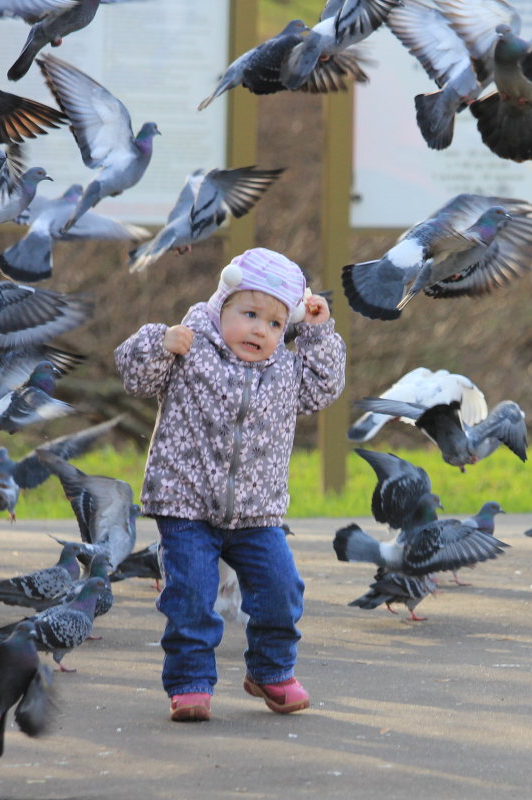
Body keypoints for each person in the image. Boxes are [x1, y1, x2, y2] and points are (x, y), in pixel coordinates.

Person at [114, 247, 345, 722]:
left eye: (276, 324)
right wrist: (159, 343)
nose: (261, 330)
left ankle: (271, 671)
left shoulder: (286, 371)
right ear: (222, 306)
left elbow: (326, 387)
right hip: (186, 504)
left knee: (281, 591)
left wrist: (318, 333)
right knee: (192, 598)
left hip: (257, 511)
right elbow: (134, 374)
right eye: (249, 314)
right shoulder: (190, 346)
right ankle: (191, 684)